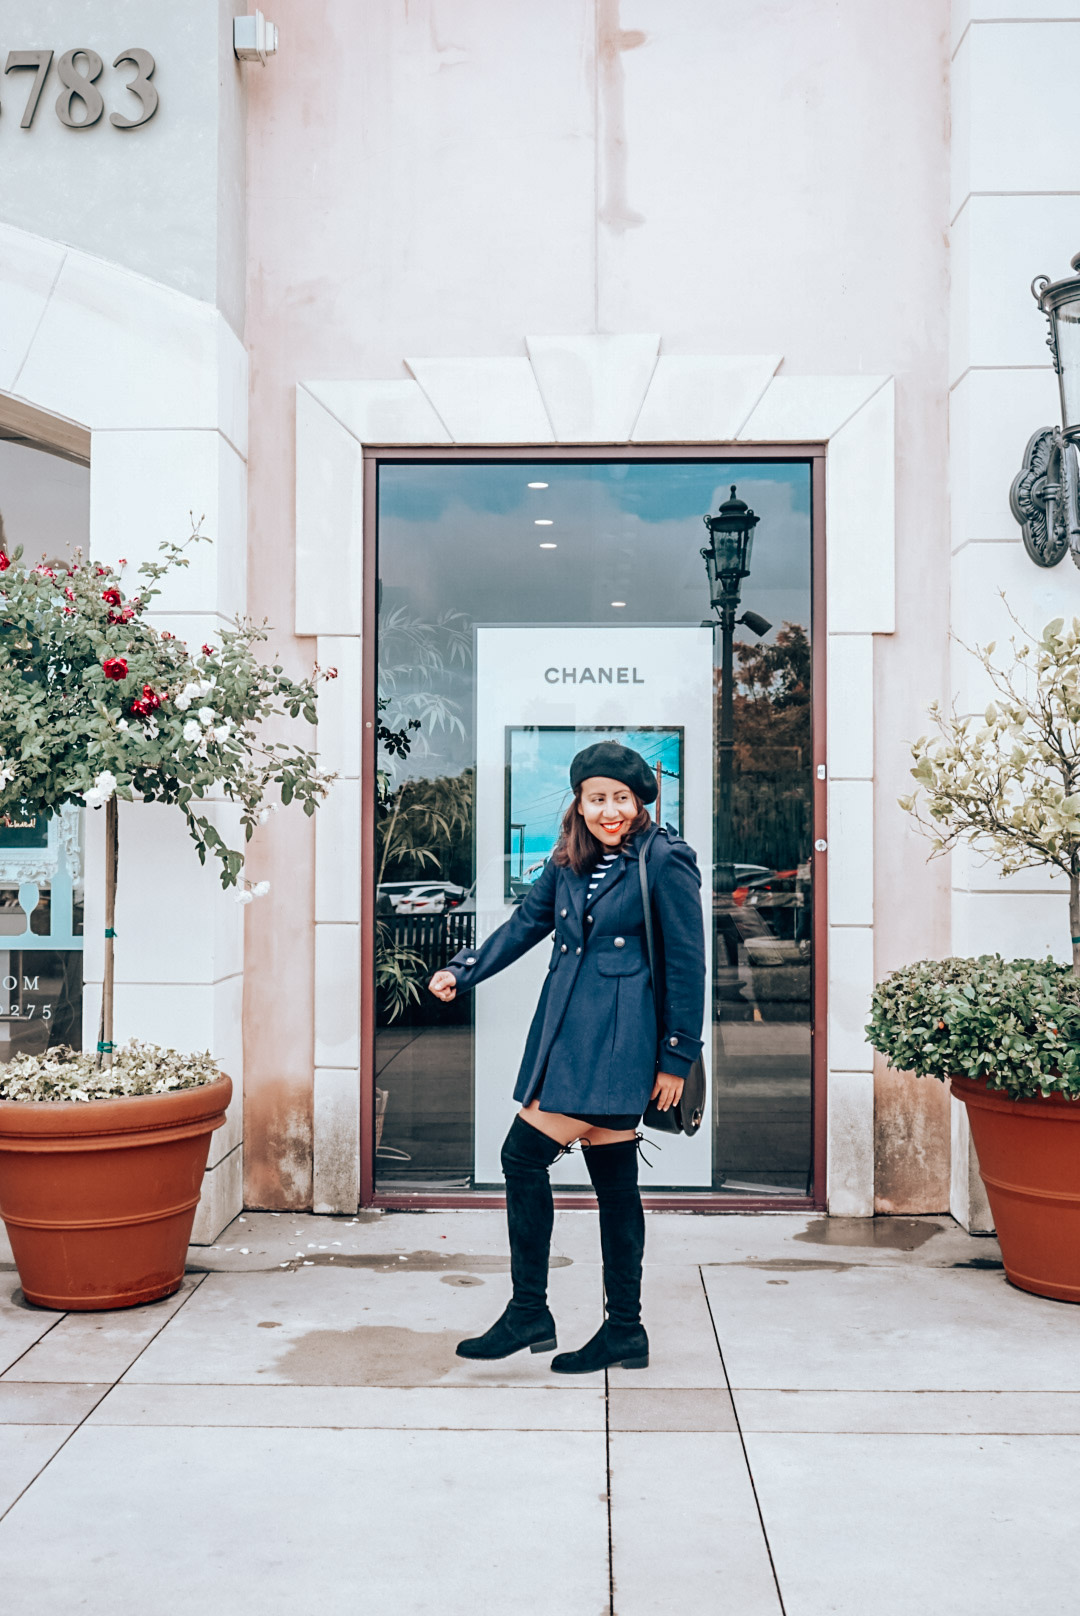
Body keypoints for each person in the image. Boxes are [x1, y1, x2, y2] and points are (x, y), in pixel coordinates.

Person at [428, 740, 706, 1374]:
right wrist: (462, 970)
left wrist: (677, 1057)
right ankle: (625, 1331)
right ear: (579, 804)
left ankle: (531, 1309)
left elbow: (688, 964)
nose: (609, 811)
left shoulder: (665, 860)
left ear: (641, 803)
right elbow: (524, 924)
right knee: (614, 1181)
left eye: (621, 799)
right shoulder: (568, 861)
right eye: (596, 799)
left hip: (619, 1040)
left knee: (521, 1156)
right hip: (567, 1032)